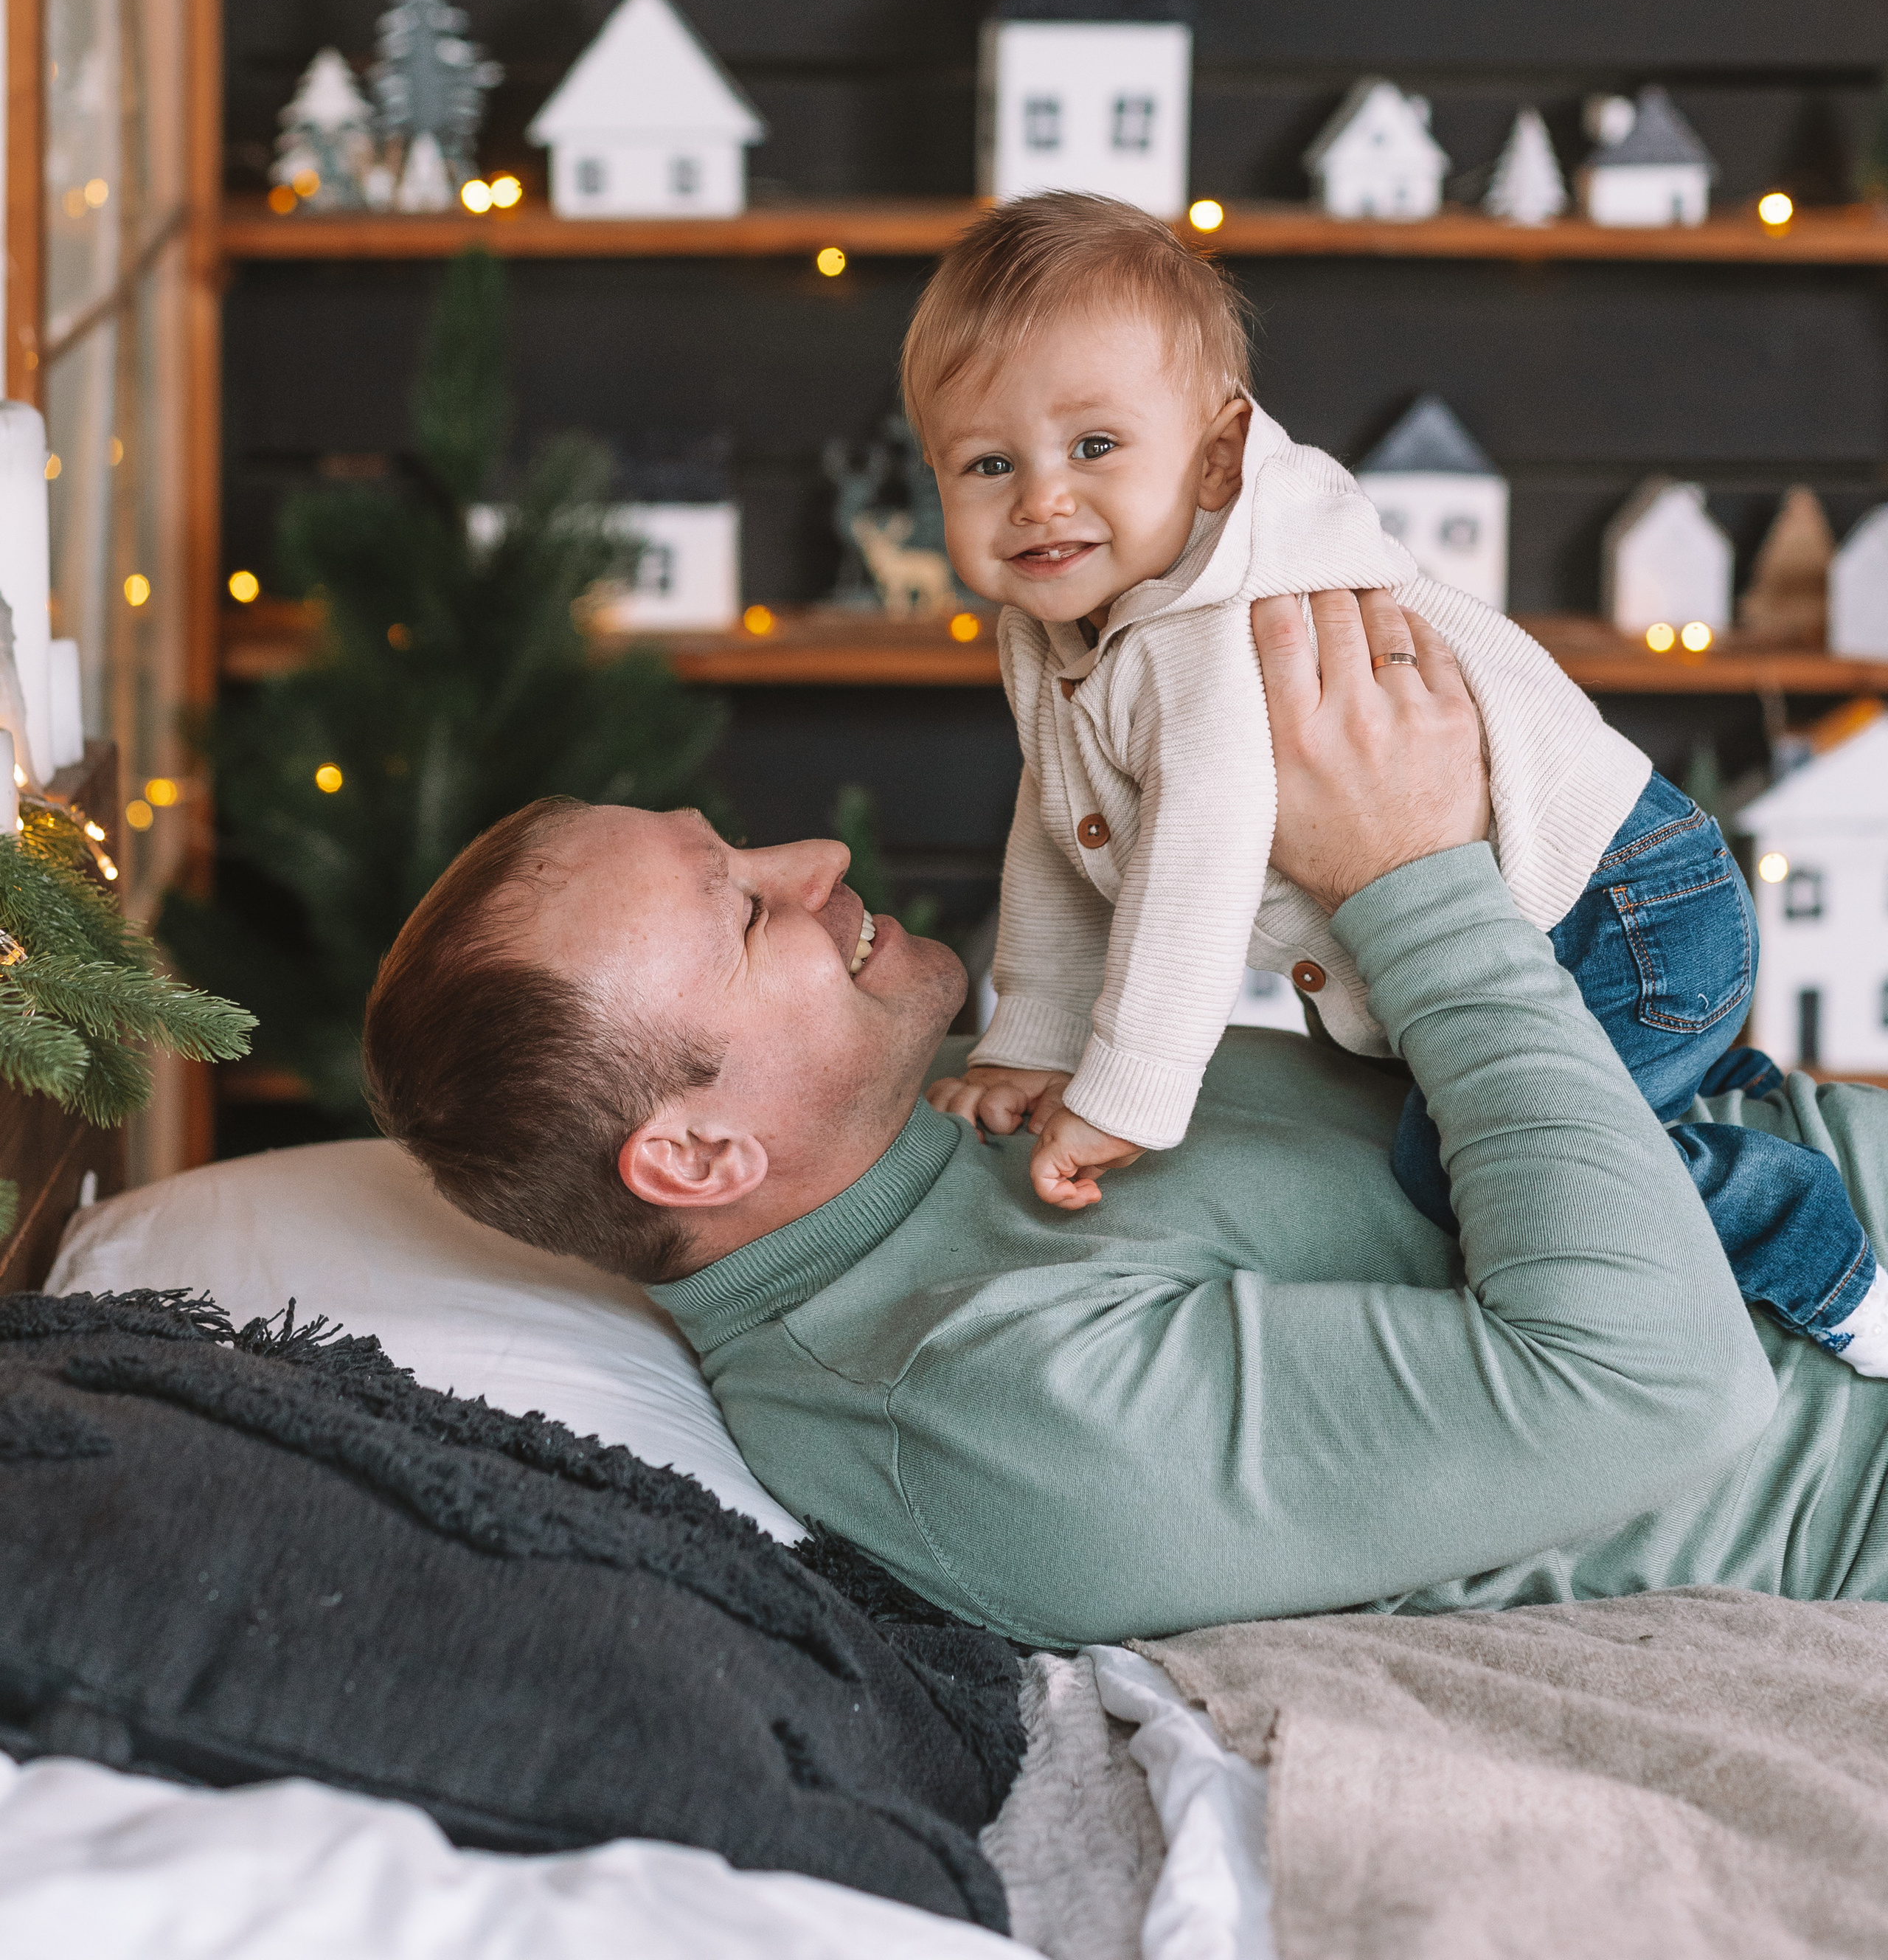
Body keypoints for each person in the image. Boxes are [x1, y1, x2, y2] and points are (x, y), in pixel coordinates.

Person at [367, 586, 1888, 1653]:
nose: (816, 855)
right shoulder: (970, 1404)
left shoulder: (952, 1110)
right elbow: (1661, 1391)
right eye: (743, 911)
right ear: (695, 1157)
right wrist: (1409, 877)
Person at [900, 193, 1888, 1372]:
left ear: (1218, 459)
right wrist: (1032, 1040)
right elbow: (1068, 834)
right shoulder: (1067, 633)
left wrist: (1126, 1089)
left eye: (1096, 447)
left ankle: (1819, 1253)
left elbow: (1197, 852)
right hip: (1580, 923)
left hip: (1616, 917)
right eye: (988, 463)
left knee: (1472, 1169)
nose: (1041, 498)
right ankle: (1701, 1111)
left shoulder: (1211, 630)